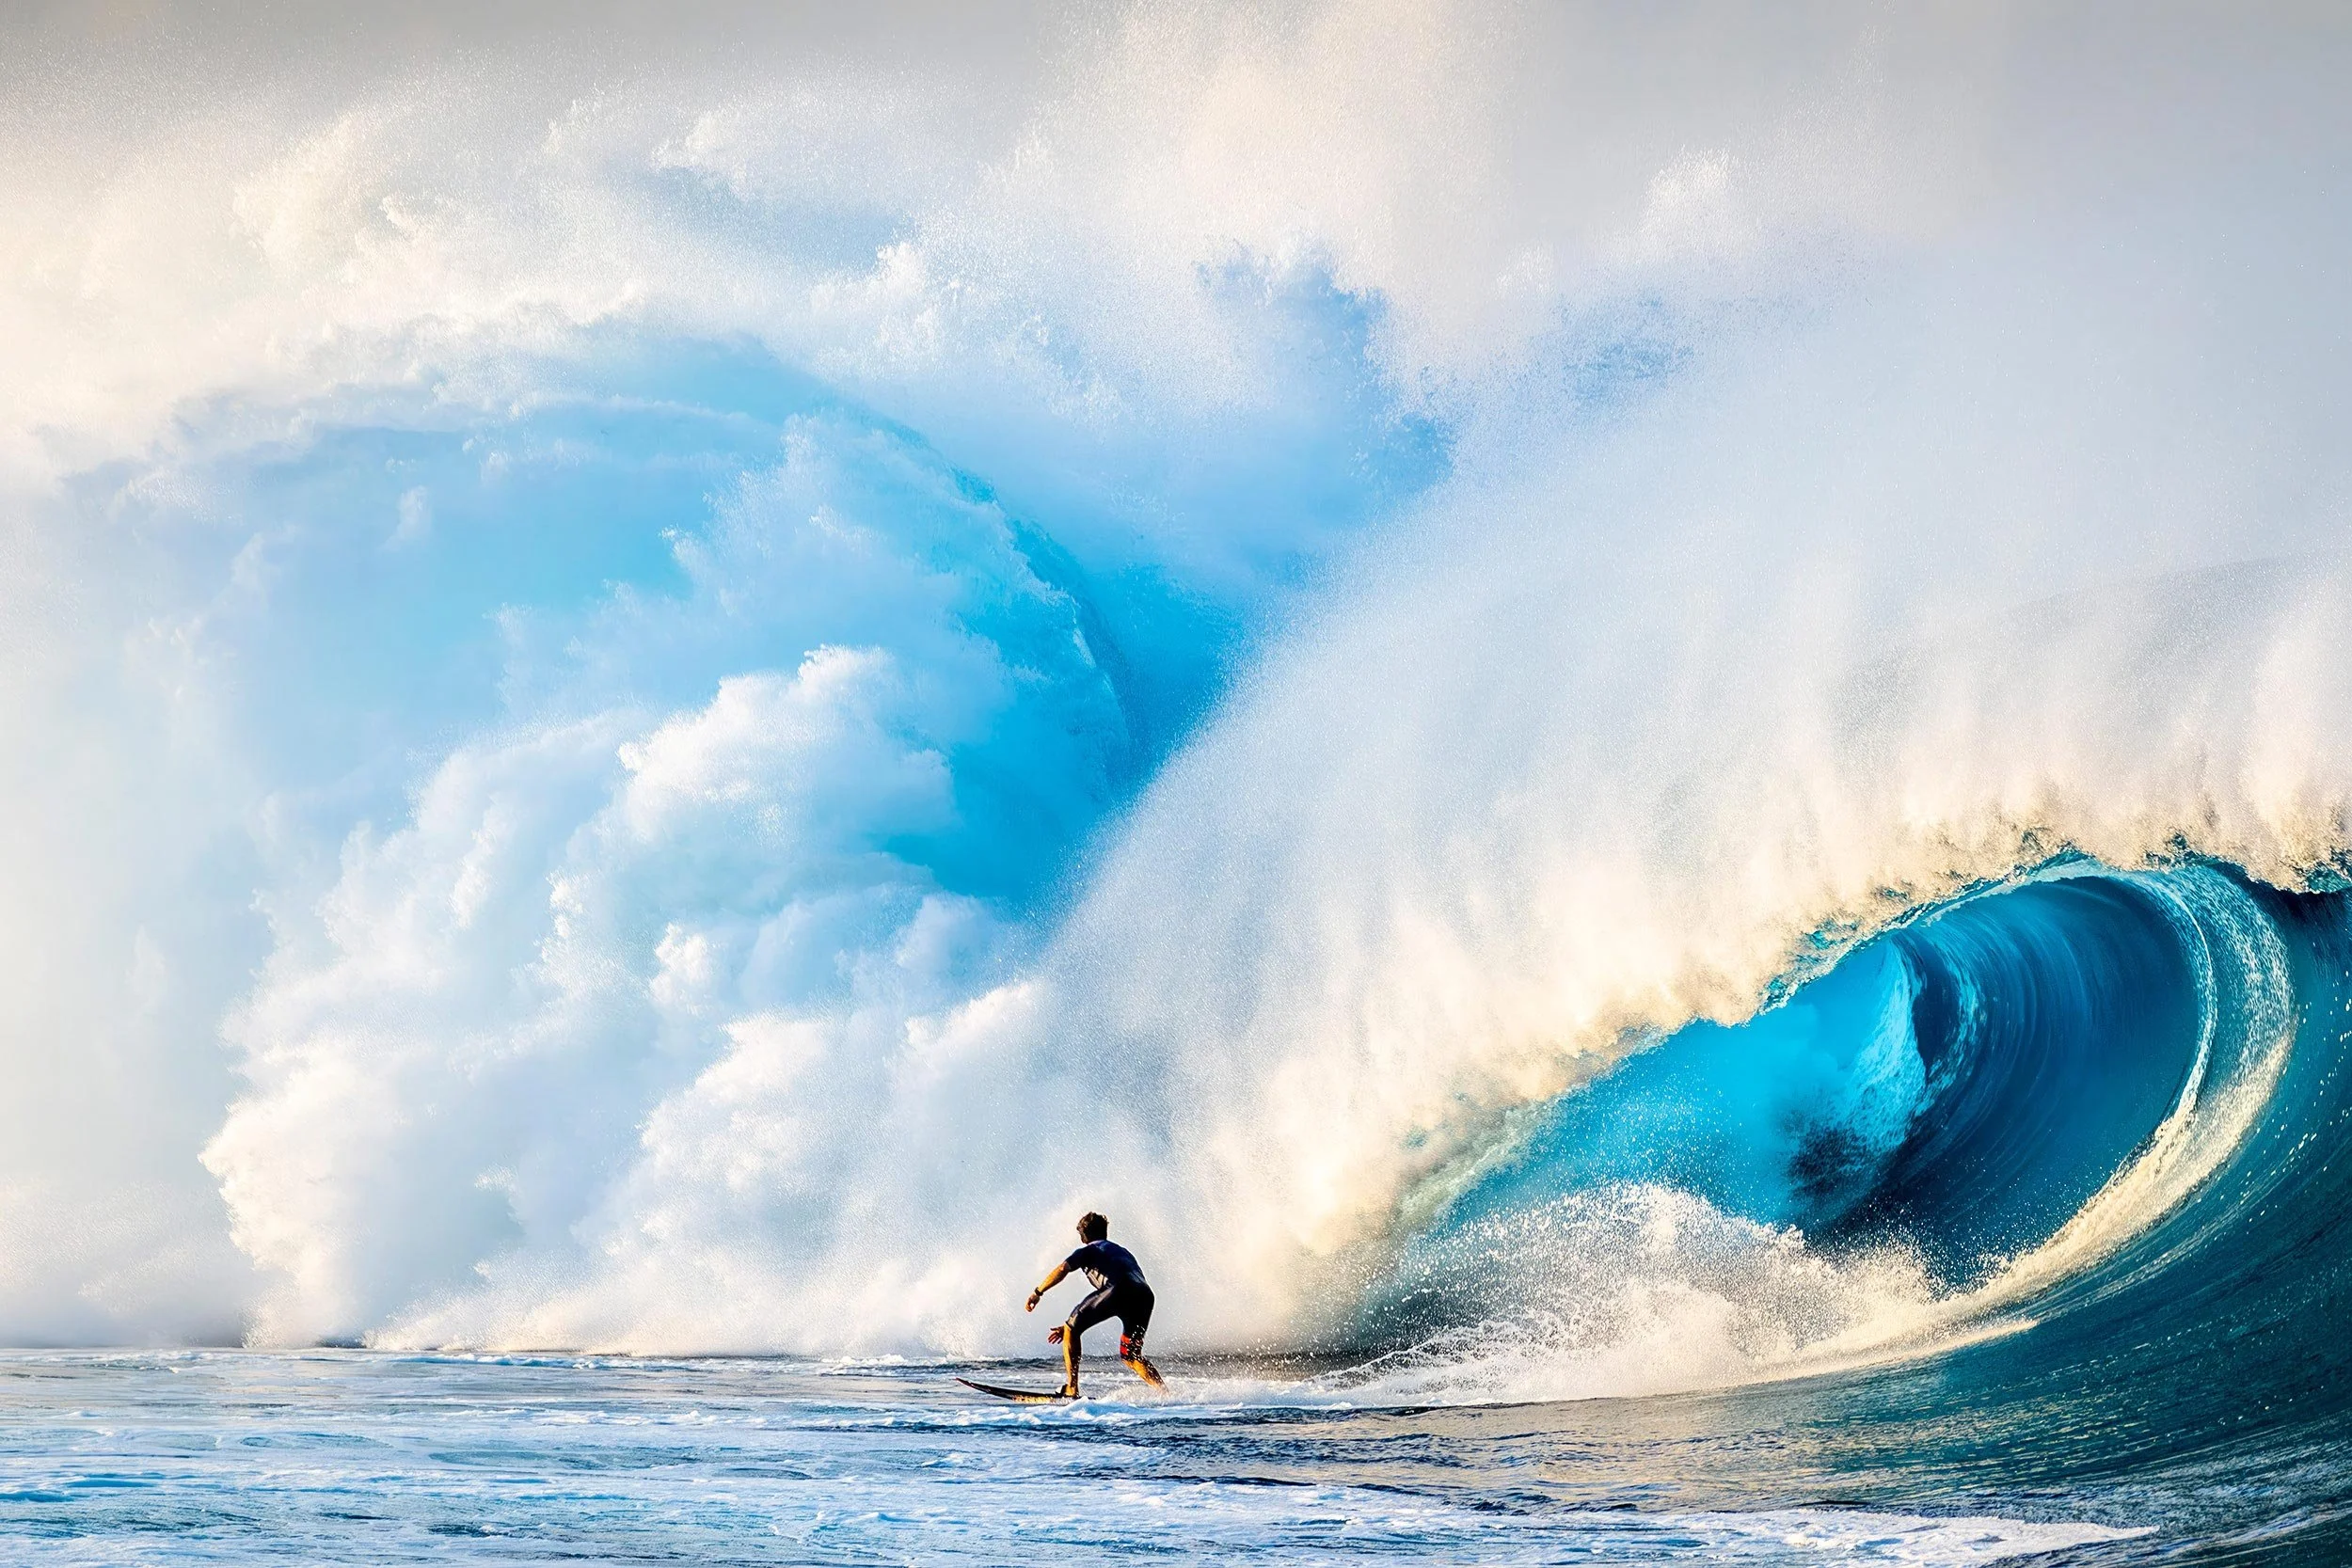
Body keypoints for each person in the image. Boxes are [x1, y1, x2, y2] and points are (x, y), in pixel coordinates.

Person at [1025, 1212, 1166, 1396]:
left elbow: (1062, 1269)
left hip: (1117, 1290)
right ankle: (1164, 1392)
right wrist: (1071, 1325)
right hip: (1144, 1296)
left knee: (1072, 1328)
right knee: (1131, 1355)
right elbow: (1118, 1298)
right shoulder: (1123, 1251)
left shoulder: (1089, 1250)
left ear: (1083, 1236)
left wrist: (1038, 1292)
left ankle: (1071, 1388)